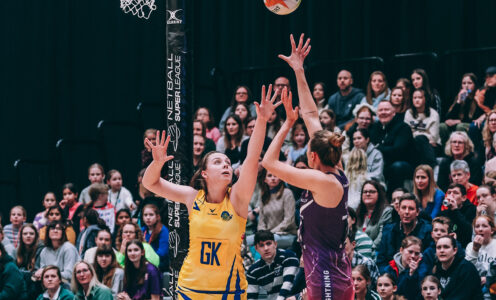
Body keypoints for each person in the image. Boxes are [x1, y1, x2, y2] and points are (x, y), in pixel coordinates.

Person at [142, 81, 280, 299]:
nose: (225, 164)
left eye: (227, 162)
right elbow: (150, 183)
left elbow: (252, 159)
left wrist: (261, 120)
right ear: (204, 173)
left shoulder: (237, 198)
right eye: (217, 162)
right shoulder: (192, 196)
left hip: (229, 291)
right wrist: (157, 162)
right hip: (190, 290)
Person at [264, 33, 353, 299]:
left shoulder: (322, 181)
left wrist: (287, 124)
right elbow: (312, 114)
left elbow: (269, 162)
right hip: (327, 270)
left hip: (327, 274)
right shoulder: (333, 169)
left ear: (312, 156)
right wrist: (299, 70)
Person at [377, 193, 432, 271]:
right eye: (403, 208)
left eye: (411, 209)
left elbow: (427, 262)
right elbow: (381, 261)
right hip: (391, 276)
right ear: (398, 210)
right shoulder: (388, 230)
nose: (406, 212)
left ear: (417, 212)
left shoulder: (427, 230)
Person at [369, 100, 416, 191]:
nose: (383, 112)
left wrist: (378, 148)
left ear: (394, 112)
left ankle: (393, 198)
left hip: (402, 164)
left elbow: (397, 151)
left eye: (386, 110)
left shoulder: (403, 127)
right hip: (380, 163)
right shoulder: (374, 128)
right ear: (377, 113)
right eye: (381, 110)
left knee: (396, 167)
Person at [246, 230, 299, 300]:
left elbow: (288, 284)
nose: (266, 248)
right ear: (256, 248)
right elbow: (251, 297)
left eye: (268, 244)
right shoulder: (253, 271)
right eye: (261, 245)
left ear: (275, 244)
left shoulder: (289, 256)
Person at [433, 235, 482, 300]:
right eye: (439, 247)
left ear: (454, 250)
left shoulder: (467, 268)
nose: (442, 250)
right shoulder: (436, 270)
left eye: (446, 247)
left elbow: (462, 297)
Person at [440, 73, 480, 146]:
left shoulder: (478, 97)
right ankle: (445, 152)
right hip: (459, 123)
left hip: (470, 125)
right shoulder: (460, 96)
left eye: (469, 83)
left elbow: (475, 118)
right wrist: (459, 101)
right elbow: (448, 117)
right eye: (464, 83)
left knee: (460, 126)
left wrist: (459, 121)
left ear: (475, 85)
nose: (466, 86)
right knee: (442, 126)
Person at [404, 88, 441, 167]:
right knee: (417, 141)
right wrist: (423, 134)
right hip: (414, 144)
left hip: (431, 147)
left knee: (420, 139)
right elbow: (406, 133)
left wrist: (417, 134)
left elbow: (433, 137)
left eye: (420, 97)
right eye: (415, 98)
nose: (417, 100)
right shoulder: (408, 113)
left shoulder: (433, 114)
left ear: (425, 99)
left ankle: (432, 167)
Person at [356, 179, 392, 249]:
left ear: (379, 194)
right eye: (365, 192)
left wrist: (367, 249)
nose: (368, 194)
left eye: (371, 192)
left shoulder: (387, 211)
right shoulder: (357, 212)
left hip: (375, 251)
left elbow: (382, 236)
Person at [438, 183, 476, 247]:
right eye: (449, 193)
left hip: (464, 246)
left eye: (455, 193)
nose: (451, 195)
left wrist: (455, 210)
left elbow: (468, 231)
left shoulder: (472, 209)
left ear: (464, 198)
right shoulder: (443, 213)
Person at [465, 215, 496, 291]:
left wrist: (489, 279)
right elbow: (467, 269)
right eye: (477, 226)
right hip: (475, 284)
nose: (480, 229)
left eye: (484, 226)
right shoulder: (470, 246)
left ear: (492, 230)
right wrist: (475, 250)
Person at [15, 223, 45, 299]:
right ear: (21, 236)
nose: (28, 236)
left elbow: (36, 272)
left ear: (36, 236)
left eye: (31, 233)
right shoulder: (19, 250)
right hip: (24, 282)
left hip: (37, 284)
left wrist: (21, 273)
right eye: (25, 234)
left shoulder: (41, 248)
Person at [141, 203, 169, 271]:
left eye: (151, 215)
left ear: (157, 216)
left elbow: (162, 253)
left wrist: (147, 260)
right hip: (145, 263)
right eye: (145, 215)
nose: (148, 217)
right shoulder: (143, 229)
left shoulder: (163, 230)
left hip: (160, 265)